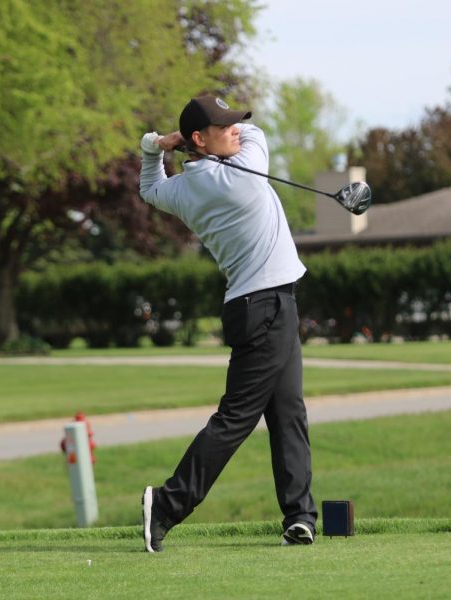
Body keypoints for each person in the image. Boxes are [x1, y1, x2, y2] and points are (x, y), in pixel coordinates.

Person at [138, 95, 317, 552]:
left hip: (259, 304)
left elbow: (149, 188)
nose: (238, 130)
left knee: (288, 411)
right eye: (225, 126)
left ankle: (299, 515)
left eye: (235, 123)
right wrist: (179, 141)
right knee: (236, 418)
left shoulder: (184, 189)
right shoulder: (242, 174)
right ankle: (166, 504)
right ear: (201, 138)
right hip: (268, 307)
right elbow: (258, 136)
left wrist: (155, 147)